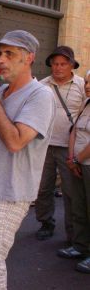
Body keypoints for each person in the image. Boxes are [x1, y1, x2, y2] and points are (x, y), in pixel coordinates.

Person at [0, 30, 55, 289]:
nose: (1, 60)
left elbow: (15, 142)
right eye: (0, 54)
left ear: (28, 58)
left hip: (7, 193)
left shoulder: (40, 96)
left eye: (9, 54)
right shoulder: (2, 90)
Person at [35, 46, 85, 242]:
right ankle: (45, 222)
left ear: (71, 65)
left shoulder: (82, 85)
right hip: (43, 145)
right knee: (43, 188)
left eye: (63, 64)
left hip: (70, 148)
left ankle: (73, 234)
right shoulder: (41, 85)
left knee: (71, 192)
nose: (58, 67)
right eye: (55, 64)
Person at [60, 70, 90, 274]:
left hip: (86, 163)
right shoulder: (86, 103)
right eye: (87, 81)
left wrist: (77, 159)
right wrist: (71, 159)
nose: (87, 86)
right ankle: (80, 246)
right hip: (78, 163)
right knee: (79, 206)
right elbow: (75, 131)